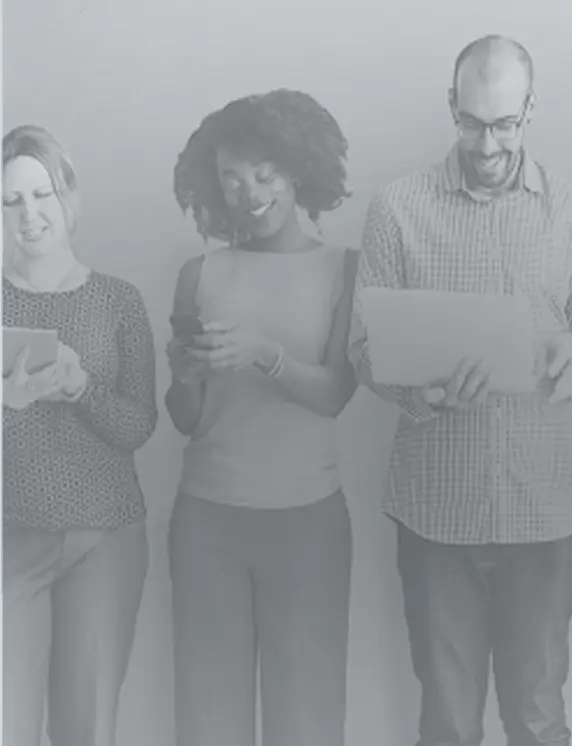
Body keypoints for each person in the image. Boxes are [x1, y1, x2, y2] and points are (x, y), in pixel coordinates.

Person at [348, 35, 572, 746]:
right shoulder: (396, 208)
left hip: (543, 516)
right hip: (435, 515)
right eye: (471, 123)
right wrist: (425, 397)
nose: (487, 143)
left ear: (531, 110)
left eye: (504, 124)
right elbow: (363, 349)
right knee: (448, 723)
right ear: (450, 106)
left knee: (538, 719)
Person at [165, 88, 360, 746]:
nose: (247, 191)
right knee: (207, 721)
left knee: (306, 722)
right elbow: (188, 419)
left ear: (299, 170)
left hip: (309, 524)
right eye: (231, 177)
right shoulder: (198, 273)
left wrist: (263, 355)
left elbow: (335, 395)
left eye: (264, 173)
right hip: (206, 523)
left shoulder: (344, 269)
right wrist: (186, 376)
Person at [0, 125, 158, 746]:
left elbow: (139, 426)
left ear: (68, 195)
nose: (29, 214)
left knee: (85, 731)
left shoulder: (119, 301)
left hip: (105, 539)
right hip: (10, 536)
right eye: (12, 200)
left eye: (41, 194)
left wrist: (80, 389)